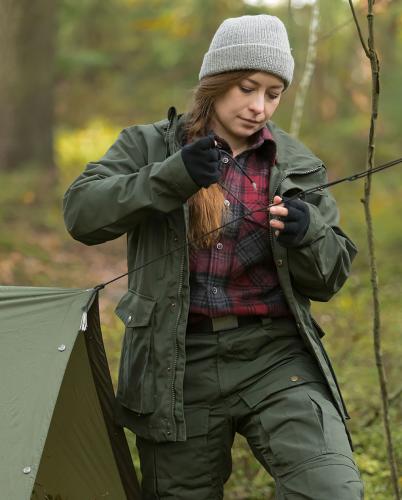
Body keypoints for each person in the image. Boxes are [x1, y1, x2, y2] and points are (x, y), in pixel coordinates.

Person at [63, 14, 364, 500]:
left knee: (333, 490)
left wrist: (308, 235)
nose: (259, 106)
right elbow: (81, 214)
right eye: (247, 88)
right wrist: (170, 176)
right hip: (177, 366)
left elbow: (330, 279)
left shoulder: (298, 162)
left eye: (273, 93)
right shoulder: (146, 145)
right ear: (216, 82)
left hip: (276, 357)